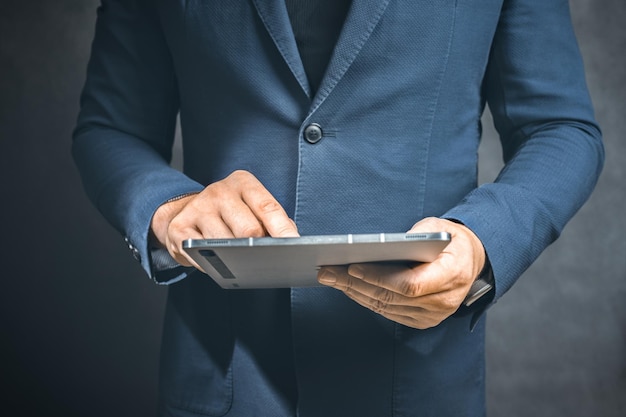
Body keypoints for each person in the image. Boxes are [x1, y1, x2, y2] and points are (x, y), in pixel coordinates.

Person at [72, 1, 604, 416]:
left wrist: (482, 242)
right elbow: (112, 128)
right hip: (226, 379)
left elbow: (560, 128)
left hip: (414, 384)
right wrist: (169, 208)